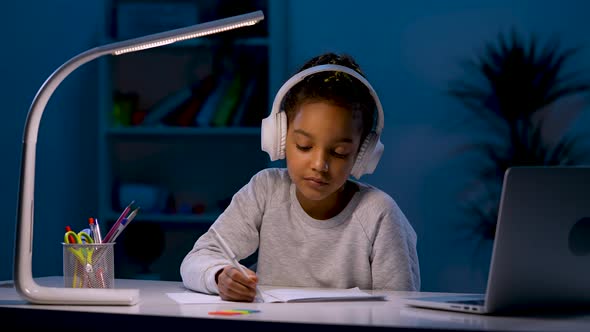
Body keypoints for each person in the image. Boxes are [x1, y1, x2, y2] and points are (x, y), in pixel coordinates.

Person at [180, 52, 420, 302]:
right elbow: (198, 258)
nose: (319, 165)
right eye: (304, 146)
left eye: (340, 152)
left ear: (363, 154)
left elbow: (400, 310)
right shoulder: (266, 190)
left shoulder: (379, 214)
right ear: (279, 138)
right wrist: (220, 276)